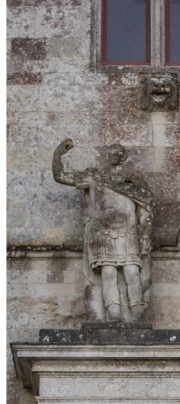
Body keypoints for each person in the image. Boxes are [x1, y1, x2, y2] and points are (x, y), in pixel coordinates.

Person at [52, 138, 153, 322]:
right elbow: (60, 176)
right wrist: (58, 154)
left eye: (117, 153)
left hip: (128, 232)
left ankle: (137, 313)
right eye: (111, 153)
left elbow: (146, 204)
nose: (113, 156)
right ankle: (113, 313)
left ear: (123, 157)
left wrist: (144, 232)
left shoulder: (134, 180)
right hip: (103, 232)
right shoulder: (95, 177)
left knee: (131, 271)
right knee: (108, 273)